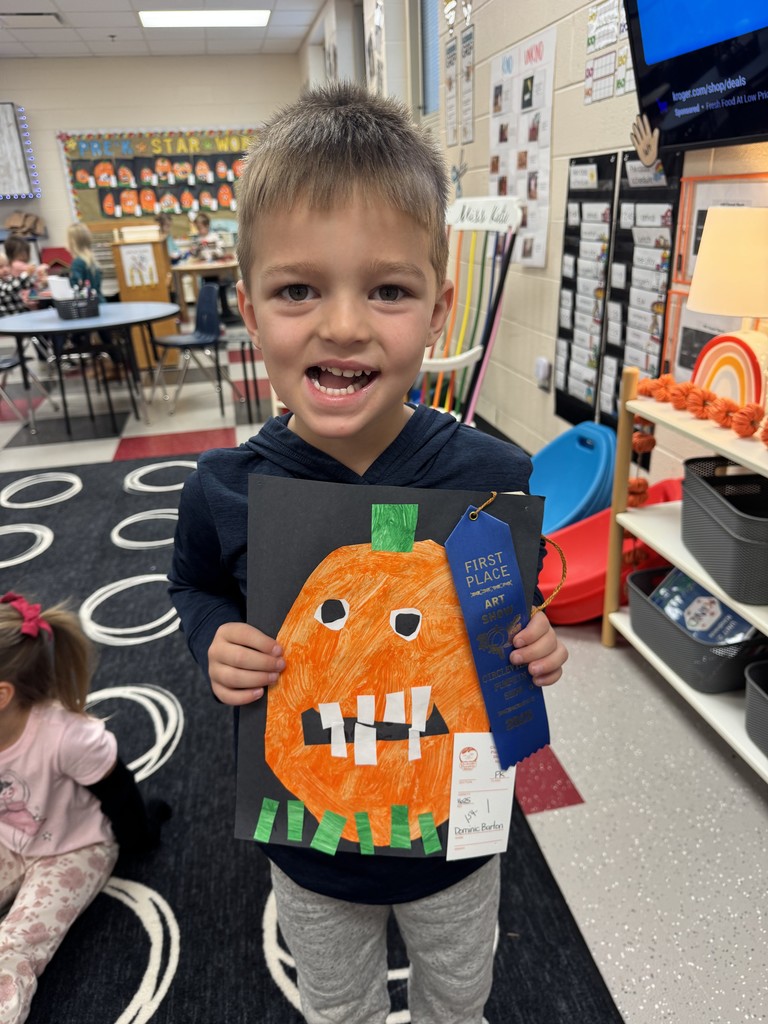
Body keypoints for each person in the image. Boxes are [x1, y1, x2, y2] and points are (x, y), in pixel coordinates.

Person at [169, 82, 568, 1024]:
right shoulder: (223, 491)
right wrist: (214, 636)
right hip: (308, 837)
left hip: (453, 832)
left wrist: (538, 638)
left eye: (387, 290)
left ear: (440, 308)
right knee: (337, 1005)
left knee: (458, 995)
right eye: (300, 289)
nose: (343, 325)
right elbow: (191, 585)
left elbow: (516, 594)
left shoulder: (493, 474)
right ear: (251, 305)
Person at [0, 591, 170, 1023]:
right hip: (10, 837)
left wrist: (140, 836)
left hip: (74, 848)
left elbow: (120, 791)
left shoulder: (67, 736)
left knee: (14, 949)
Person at [190, 212, 238, 322]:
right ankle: (212, 313)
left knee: (220, 286)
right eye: (197, 228)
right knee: (208, 288)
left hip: (218, 270)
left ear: (207, 226)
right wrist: (196, 251)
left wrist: (215, 253)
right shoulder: (197, 239)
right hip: (205, 271)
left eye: (201, 228)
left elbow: (222, 250)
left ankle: (225, 311)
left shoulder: (215, 236)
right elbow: (195, 254)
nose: (199, 230)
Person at [66, 223, 103, 301]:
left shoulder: (77, 263)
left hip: (88, 306)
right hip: (99, 302)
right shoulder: (92, 261)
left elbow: (75, 287)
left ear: (72, 242)